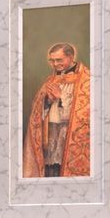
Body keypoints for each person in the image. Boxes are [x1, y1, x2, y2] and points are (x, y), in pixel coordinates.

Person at [24, 39, 91, 178]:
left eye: (59, 60)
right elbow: (38, 111)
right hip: (50, 133)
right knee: (51, 170)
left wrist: (61, 98)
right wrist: (48, 101)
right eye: (52, 60)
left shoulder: (87, 80)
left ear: (71, 57)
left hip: (70, 133)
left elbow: (85, 111)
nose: (55, 64)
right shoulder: (50, 80)